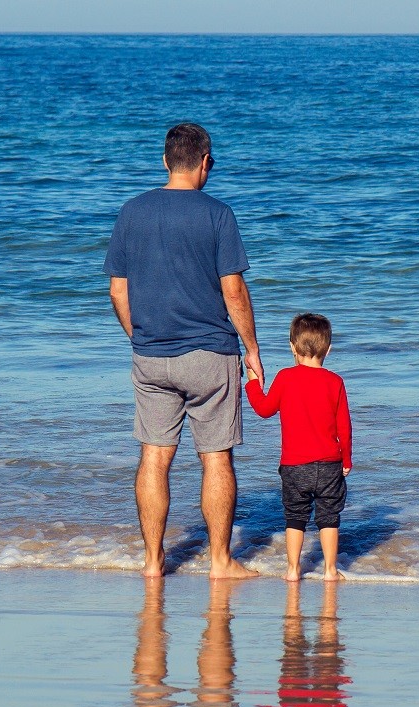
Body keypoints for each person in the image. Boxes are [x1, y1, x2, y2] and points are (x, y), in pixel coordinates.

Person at [105, 122, 263, 579]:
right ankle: (219, 562)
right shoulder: (218, 214)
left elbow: (118, 291)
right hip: (209, 353)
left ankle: (154, 563)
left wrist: (139, 335)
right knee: (215, 458)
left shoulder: (131, 211)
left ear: (165, 161)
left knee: (154, 455)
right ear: (206, 162)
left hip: (150, 353)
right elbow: (233, 290)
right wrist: (252, 350)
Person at [245, 313, 352, 582]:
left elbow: (264, 409)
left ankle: (293, 570)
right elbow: (344, 426)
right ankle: (329, 570)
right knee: (329, 516)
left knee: (295, 517)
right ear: (328, 348)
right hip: (329, 464)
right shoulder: (335, 382)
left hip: (294, 465)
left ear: (292, 347)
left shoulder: (285, 377)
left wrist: (252, 384)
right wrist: (346, 459)